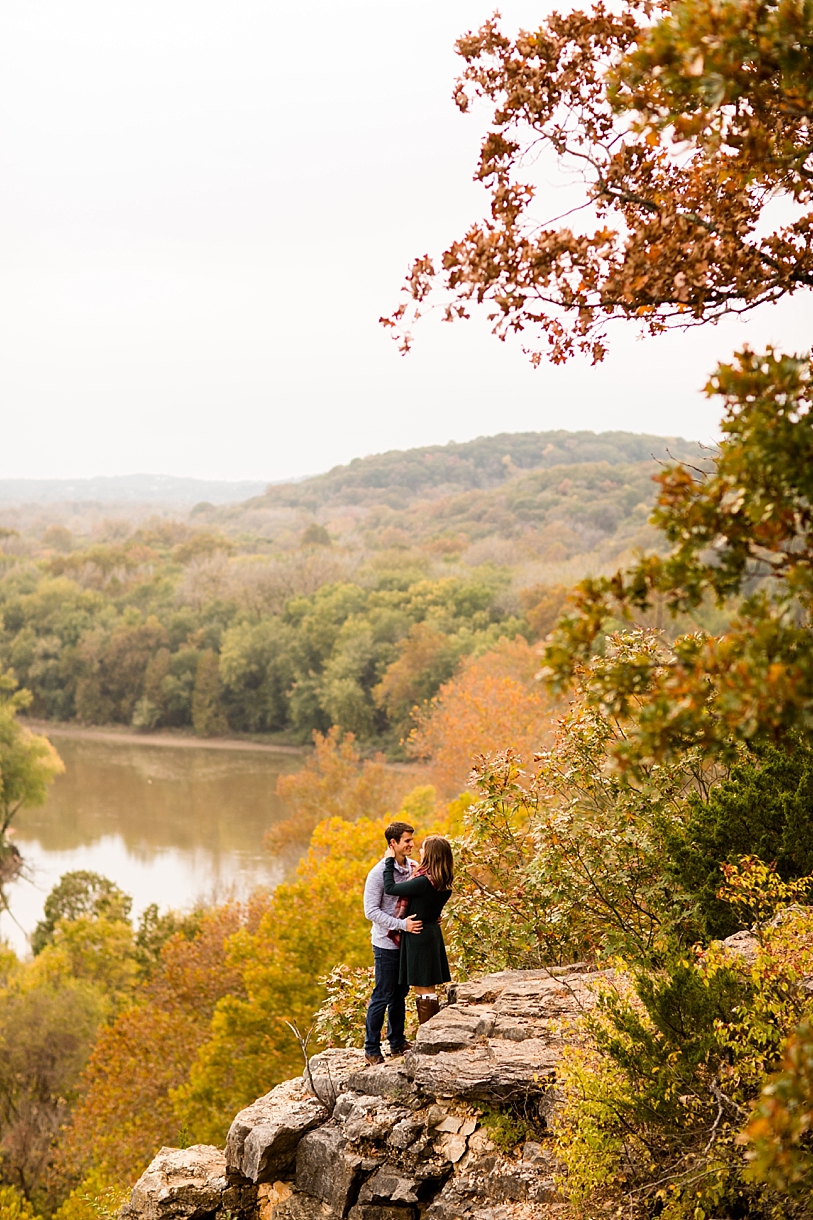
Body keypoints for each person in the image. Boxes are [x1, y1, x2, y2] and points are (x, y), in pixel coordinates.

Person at [362, 820, 423, 1066]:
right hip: (386, 944)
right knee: (383, 995)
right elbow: (371, 912)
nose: (411, 844)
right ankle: (371, 1049)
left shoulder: (413, 868)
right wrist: (402, 925)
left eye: (411, 840)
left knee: (400, 994)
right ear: (393, 843)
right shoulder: (378, 873)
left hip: (407, 943)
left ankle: (397, 1042)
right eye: (407, 841)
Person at [383, 835, 453, 1025]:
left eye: (423, 848)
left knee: (422, 989)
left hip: (417, 935)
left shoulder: (423, 882)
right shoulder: (443, 881)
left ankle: (429, 1034)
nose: (420, 850)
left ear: (431, 854)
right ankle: (432, 1031)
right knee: (428, 987)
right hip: (431, 933)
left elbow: (390, 887)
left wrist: (389, 861)